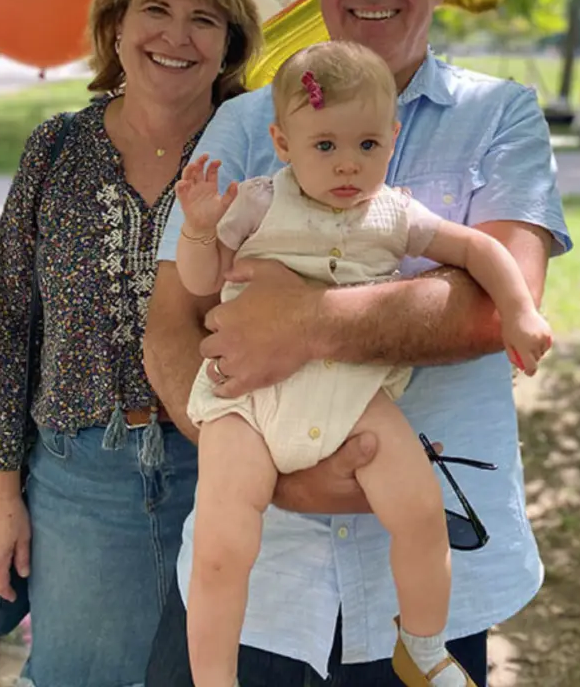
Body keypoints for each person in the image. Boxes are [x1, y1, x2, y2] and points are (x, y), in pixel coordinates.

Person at [144, 0, 571, 687]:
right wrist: (259, 461)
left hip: (425, 558)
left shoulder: (501, 115)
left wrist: (301, 321)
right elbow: (171, 318)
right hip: (259, 574)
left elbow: (494, 305)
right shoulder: (243, 123)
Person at [174, 39, 553, 687]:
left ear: (391, 137)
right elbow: (198, 280)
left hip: (348, 395)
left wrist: (518, 313)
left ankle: (424, 645)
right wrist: (200, 230)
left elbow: (480, 253)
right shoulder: (260, 201)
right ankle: (214, 678)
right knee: (222, 544)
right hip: (248, 403)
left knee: (420, 511)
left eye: (367, 146)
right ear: (283, 142)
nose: (347, 164)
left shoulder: (393, 214)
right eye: (325, 146)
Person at [0, 0, 262, 687]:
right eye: (155, 10)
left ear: (229, 42)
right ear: (117, 27)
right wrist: (0, 498)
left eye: (204, 18)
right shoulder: (55, 150)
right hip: (81, 481)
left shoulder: (261, 155)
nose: (174, 35)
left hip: (228, 469)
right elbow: (6, 325)